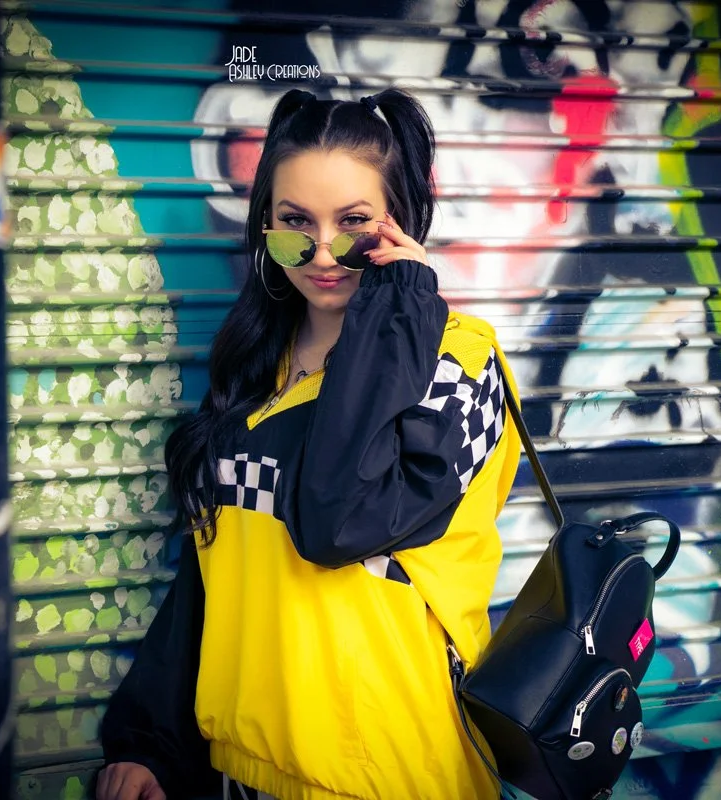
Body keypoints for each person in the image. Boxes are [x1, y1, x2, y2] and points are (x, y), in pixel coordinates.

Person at [94, 86, 522, 800]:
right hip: (244, 770)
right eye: (295, 225)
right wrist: (150, 745)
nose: (323, 253)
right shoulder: (257, 371)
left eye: (354, 225)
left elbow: (337, 522)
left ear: (398, 224)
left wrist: (400, 304)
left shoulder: (459, 369)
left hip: (386, 775)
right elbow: (215, 570)